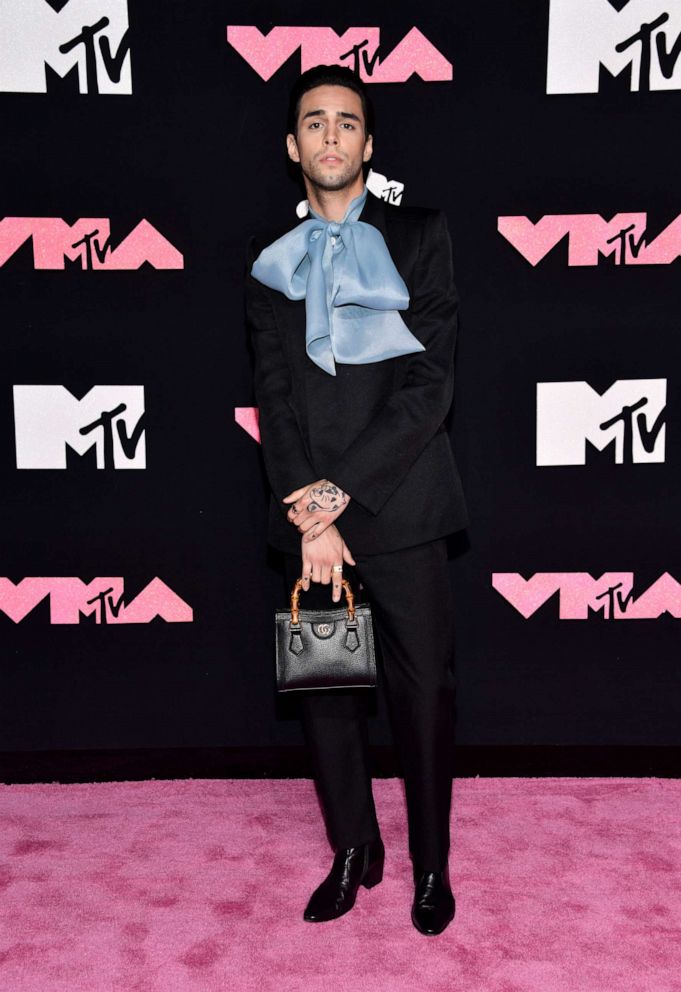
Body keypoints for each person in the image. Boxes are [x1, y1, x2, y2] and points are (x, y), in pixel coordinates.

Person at [244, 64, 468, 935]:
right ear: (293, 146)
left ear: (368, 148)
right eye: (315, 122)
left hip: (402, 502)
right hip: (311, 520)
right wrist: (311, 513)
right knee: (326, 688)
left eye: (347, 123)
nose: (331, 135)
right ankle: (352, 848)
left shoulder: (421, 236)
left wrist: (337, 497)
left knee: (423, 693)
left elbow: (428, 385)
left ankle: (430, 865)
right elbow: (275, 396)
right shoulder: (268, 265)